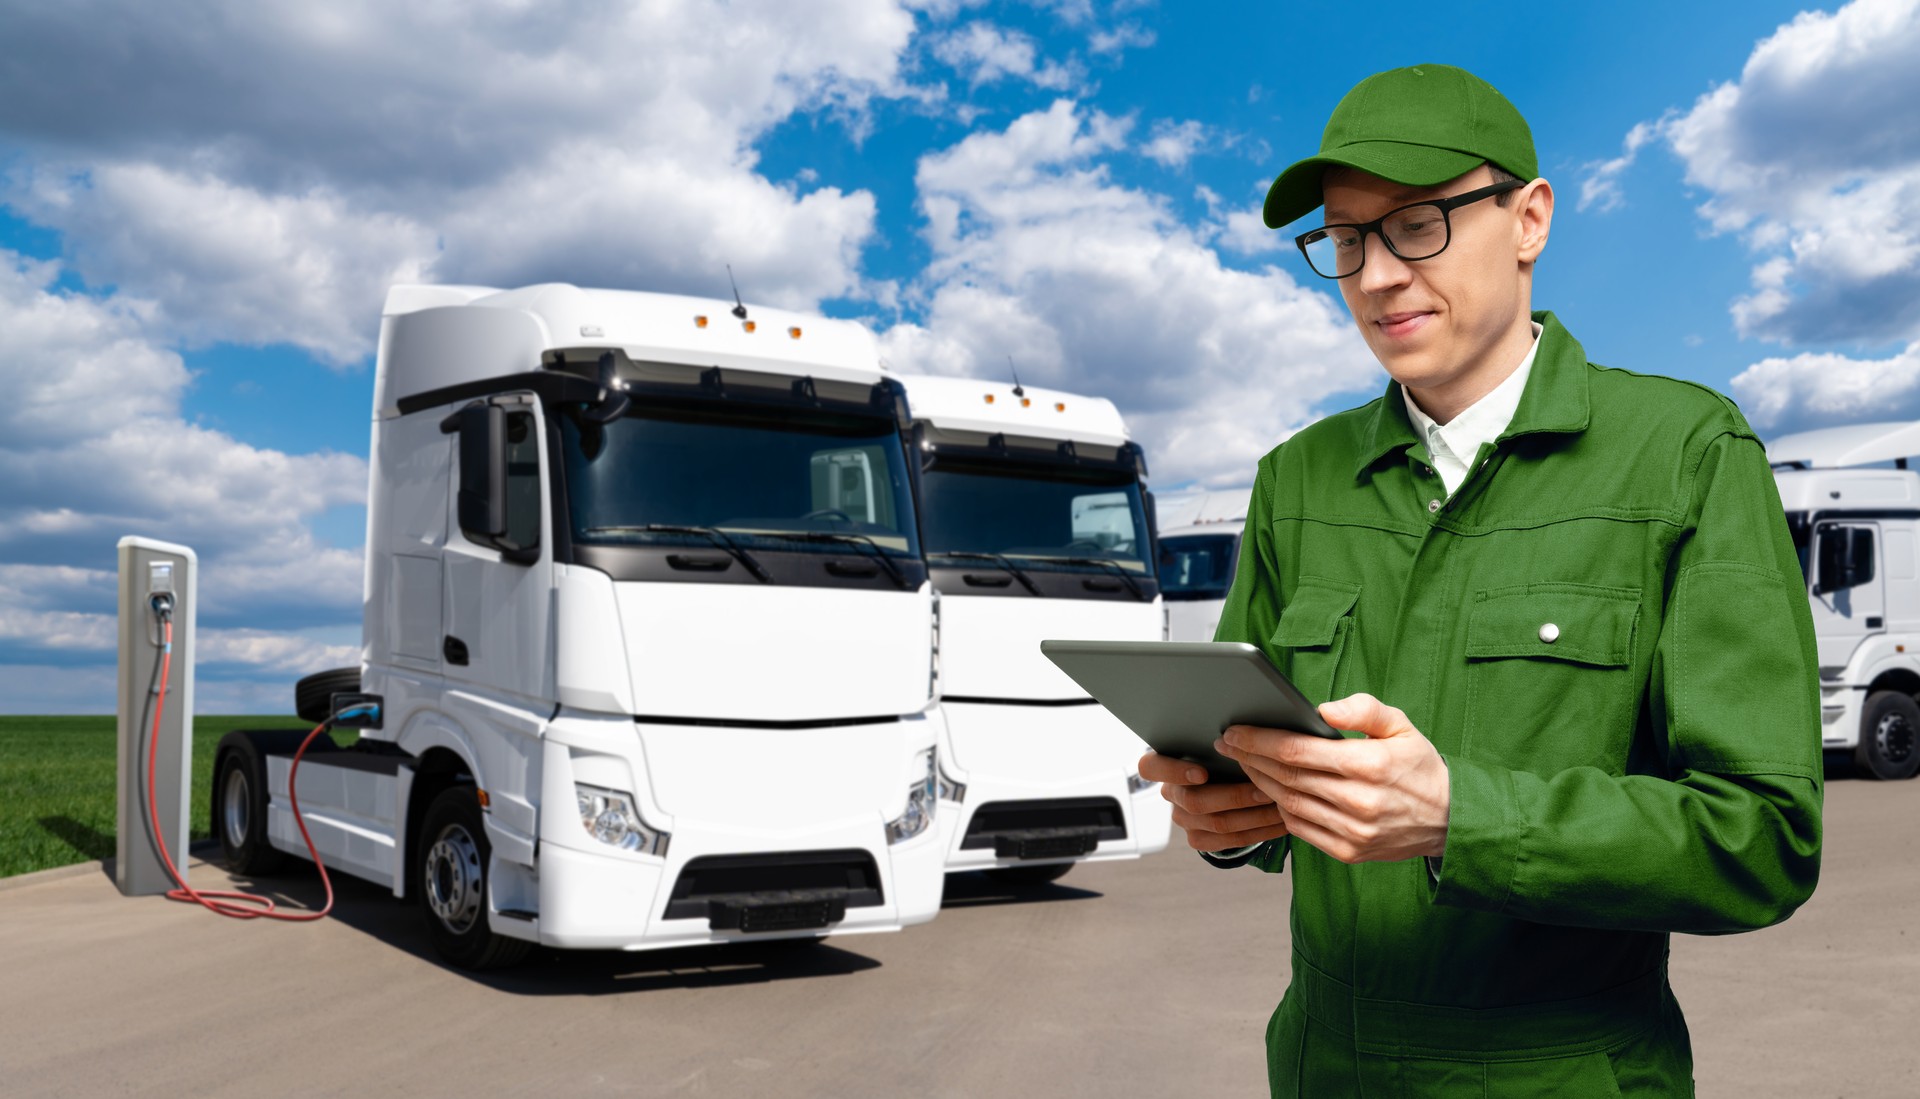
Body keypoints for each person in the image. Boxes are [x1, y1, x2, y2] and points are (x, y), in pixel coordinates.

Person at [1138, 63, 1822, 1096]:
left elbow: (1763, 838)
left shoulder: (1686, 453)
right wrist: (1230, 819)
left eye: (1417, 225)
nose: (1375, 276)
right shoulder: (1295, 480)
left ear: (1529, 220)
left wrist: (1463, 815)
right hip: (1325, 1067)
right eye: (1347, 238)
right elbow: (1267, 768)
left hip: (1561, 1074)